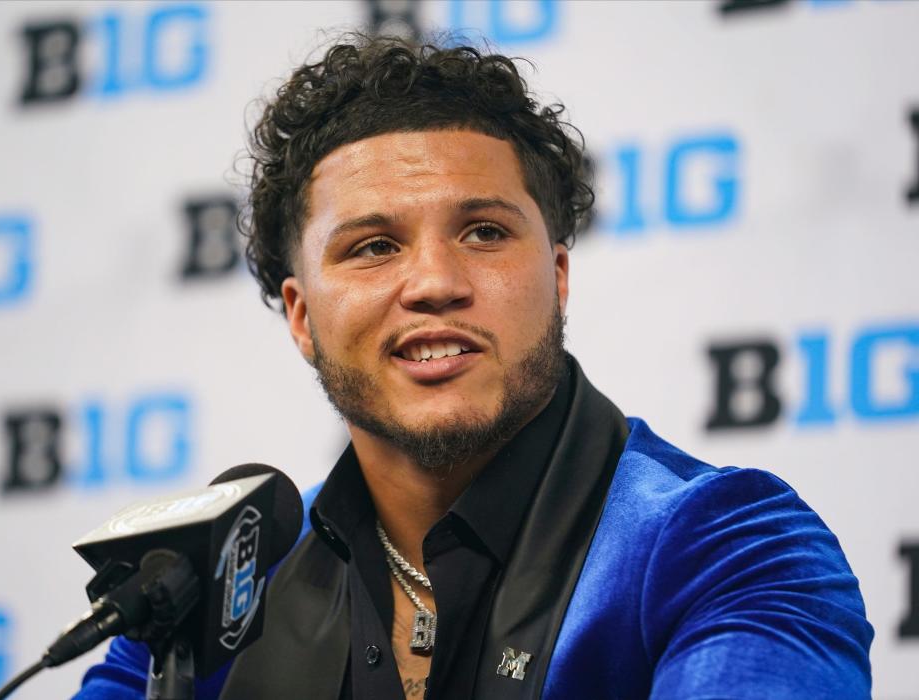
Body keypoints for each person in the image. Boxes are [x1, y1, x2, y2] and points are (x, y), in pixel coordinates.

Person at [76, 35, 873, 699]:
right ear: (301, 316)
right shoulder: (207, 593)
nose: (435, 283)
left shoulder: (723, 544)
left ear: (558, 278)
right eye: (374, 247)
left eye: (485, 233)